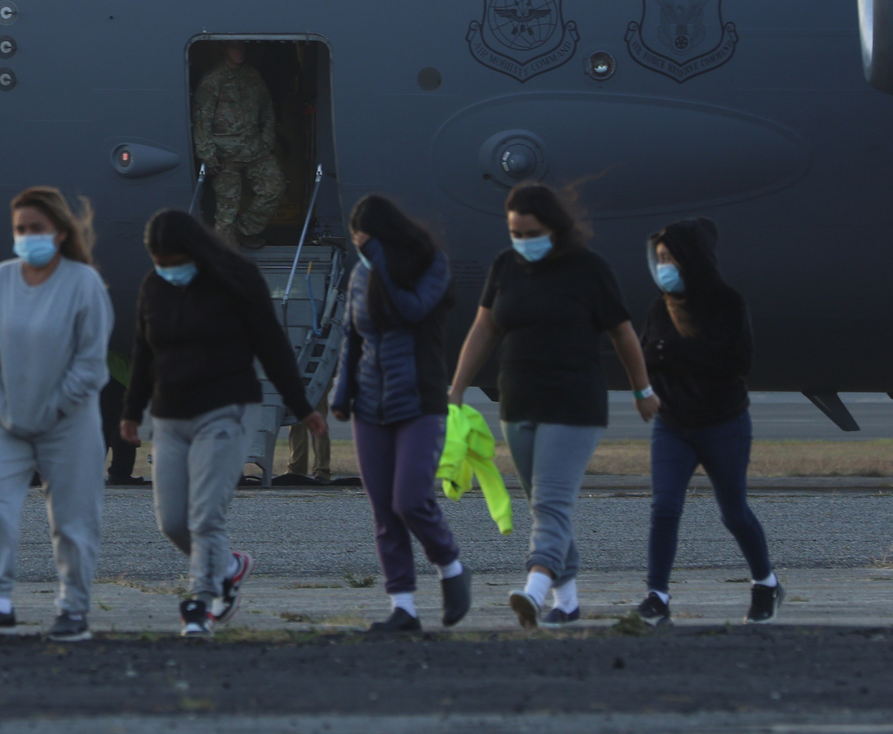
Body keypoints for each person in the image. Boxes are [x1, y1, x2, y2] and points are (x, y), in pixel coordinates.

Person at [448, 182, 658, 631]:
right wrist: (456, 387)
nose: (523, 242)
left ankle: (535, 591)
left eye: (532, 232)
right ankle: (568, 601)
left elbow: (622, 333)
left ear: (555, 227)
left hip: (574, 405)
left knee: (551, 503)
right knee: (544, 507)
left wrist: (643, 391)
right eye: (516, 233)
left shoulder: (589, 269)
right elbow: (484, 329)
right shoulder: (505, 267)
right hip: (518, 403)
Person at [121, 209, 325, 636]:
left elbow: (273, 347)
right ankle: (229, 565)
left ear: (193, 252)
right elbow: (143, 352)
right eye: (158, 261)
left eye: (173, 261)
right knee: (172, 522)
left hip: (225, 410)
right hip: (170, 417)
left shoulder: (236, 280)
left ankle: (200, 602)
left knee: (205, 515)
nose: (166, 270)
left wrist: (301, 406)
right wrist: (130, 412)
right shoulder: (154, 287)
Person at [0, 187, 111, 643]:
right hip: (7, 421)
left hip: (70, 422)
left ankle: (73, 609)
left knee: (73, 519)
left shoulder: (83, 285)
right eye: (20, 230)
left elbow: (91, 362)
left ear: (60, 234)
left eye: (36, 229)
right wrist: (1, 404)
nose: (27, 237)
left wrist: (54, 408)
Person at [332, 194, 471, 633]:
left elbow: (410, 310)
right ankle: (403, 606)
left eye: (364, 239)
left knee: (410, 500)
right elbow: (352, 337)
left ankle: (450, 566)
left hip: (419, 401)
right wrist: (342, 392)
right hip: (369, 407)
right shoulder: (360, 274)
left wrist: (381, 264)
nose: (360, 248)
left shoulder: (431, 264)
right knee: (384, 512)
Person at [637, 218, 783, 626]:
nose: (663, 265)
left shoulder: (727, 304)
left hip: (723, 425)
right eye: (659, 258)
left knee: (733, 512)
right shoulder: (658, 308)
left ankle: (765, 583)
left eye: (671, 258)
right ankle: (657, 596)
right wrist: (664, 358)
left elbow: (737, 362)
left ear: (692, 259)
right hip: (673, 425)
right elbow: (648, 355)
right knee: (664, 507)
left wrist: (676, 353)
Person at [191, 42, 284, 249]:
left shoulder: (252, 76)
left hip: (254, 149)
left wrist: (267, 140)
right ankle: (227, 259)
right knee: (226, 212)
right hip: (225, 155)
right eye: (234, 48)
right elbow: (201, 119)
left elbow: (267, 110)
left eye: (242, 48)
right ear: (223, 50)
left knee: (273, 187)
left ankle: (244, 231)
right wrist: (208, 154)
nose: (239, 52)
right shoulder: (213, 80)